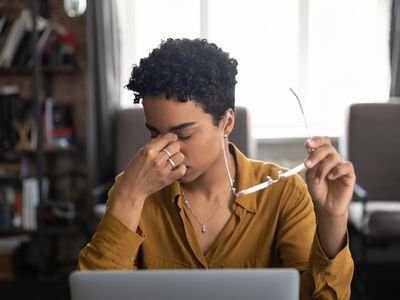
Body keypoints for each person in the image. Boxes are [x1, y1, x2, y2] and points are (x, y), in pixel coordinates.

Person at [78, 38, 355, 299]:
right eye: (154, 134)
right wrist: (130, 196)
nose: (165, 150)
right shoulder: (134, 191)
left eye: (183, 135)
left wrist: (333, 218)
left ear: (227, 122)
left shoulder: (283, 194)